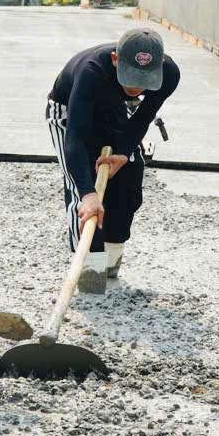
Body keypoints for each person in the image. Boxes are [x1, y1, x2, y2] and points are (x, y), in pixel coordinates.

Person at [46, 28, 180, 293]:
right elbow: (75, 138)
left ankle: (111, 261)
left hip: (114, 106)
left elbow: (143, 117)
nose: (136, 88)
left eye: (144, 81)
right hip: (69, 111)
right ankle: (90, 273)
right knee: (84, 193)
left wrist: (123, 152)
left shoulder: (170, 74)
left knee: (129, 176)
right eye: (130, 78)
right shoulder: (91, 71)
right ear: (115, 60)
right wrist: (88, 193)